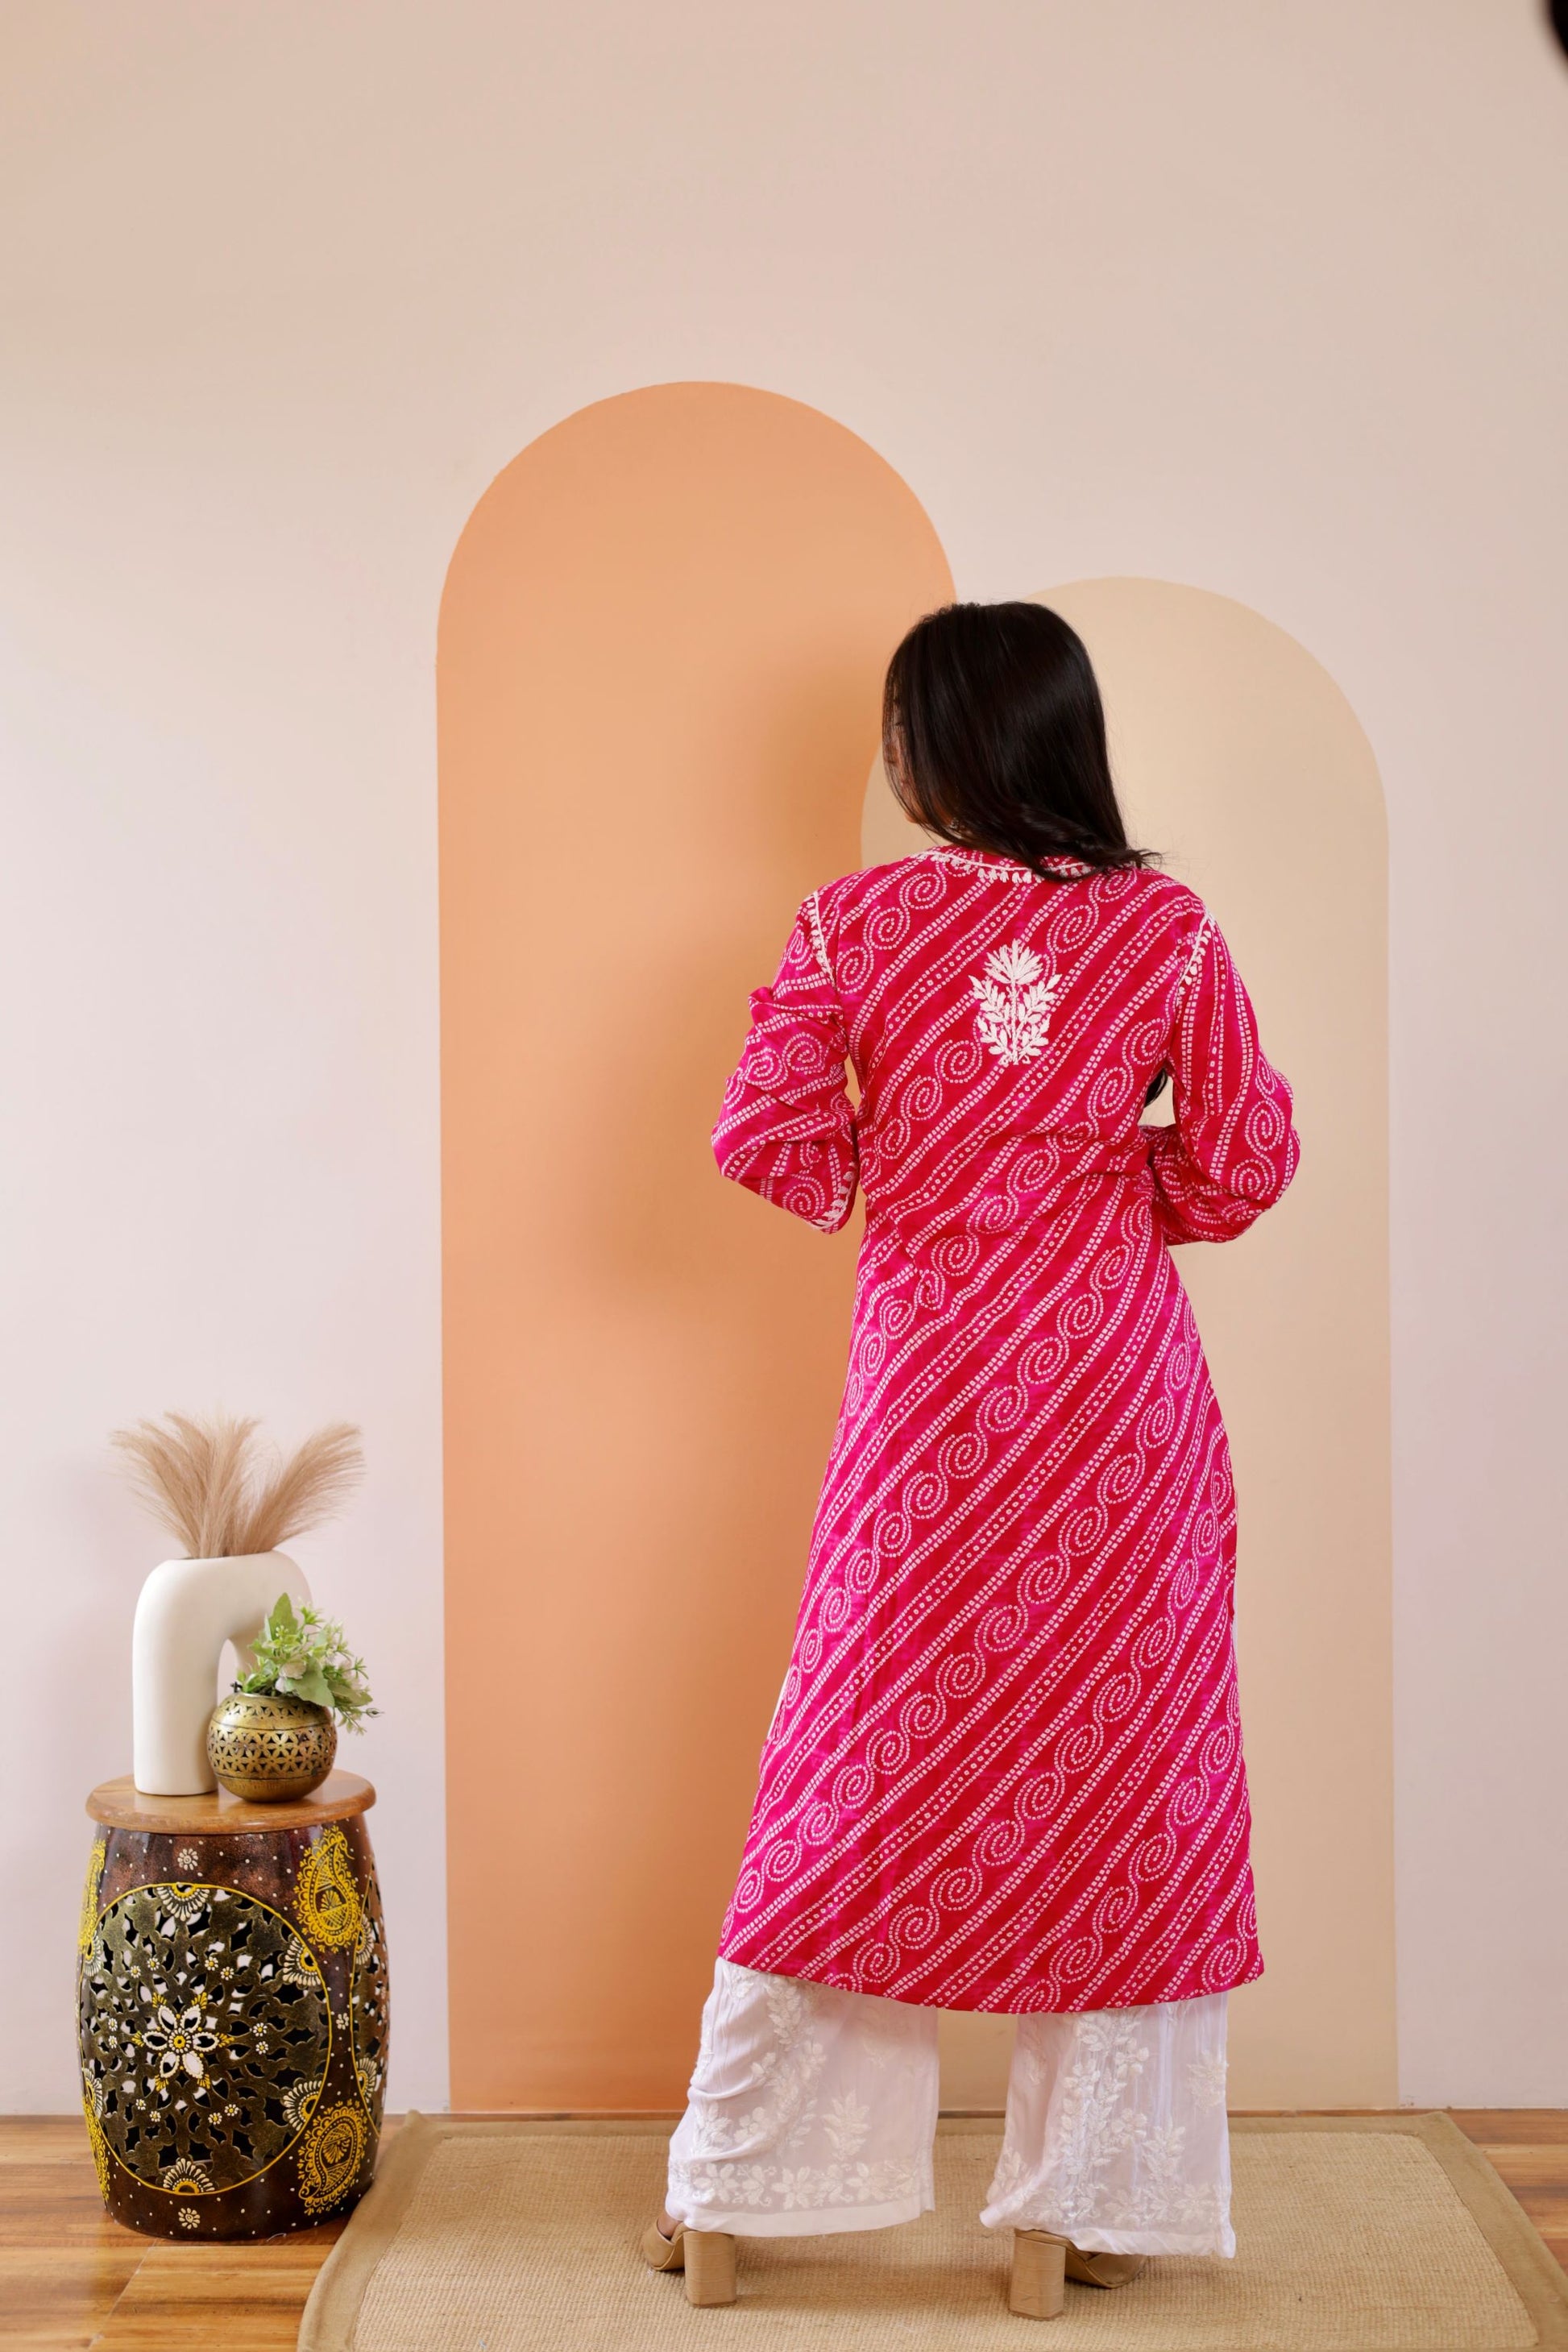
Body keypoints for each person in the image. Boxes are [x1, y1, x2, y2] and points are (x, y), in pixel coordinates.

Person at [641, 599, 1300, 2318]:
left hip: (927, 1396)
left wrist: (933, 1174)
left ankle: (741, 2186)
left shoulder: (849, 923)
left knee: (853, 1772)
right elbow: (1239, 1162)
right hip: (1117, 1394)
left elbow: (770, 1139)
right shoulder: (1166, 930)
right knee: (1125, 1781)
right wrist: (1094, 1191)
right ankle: (1080, 2208)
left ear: (927, 747)